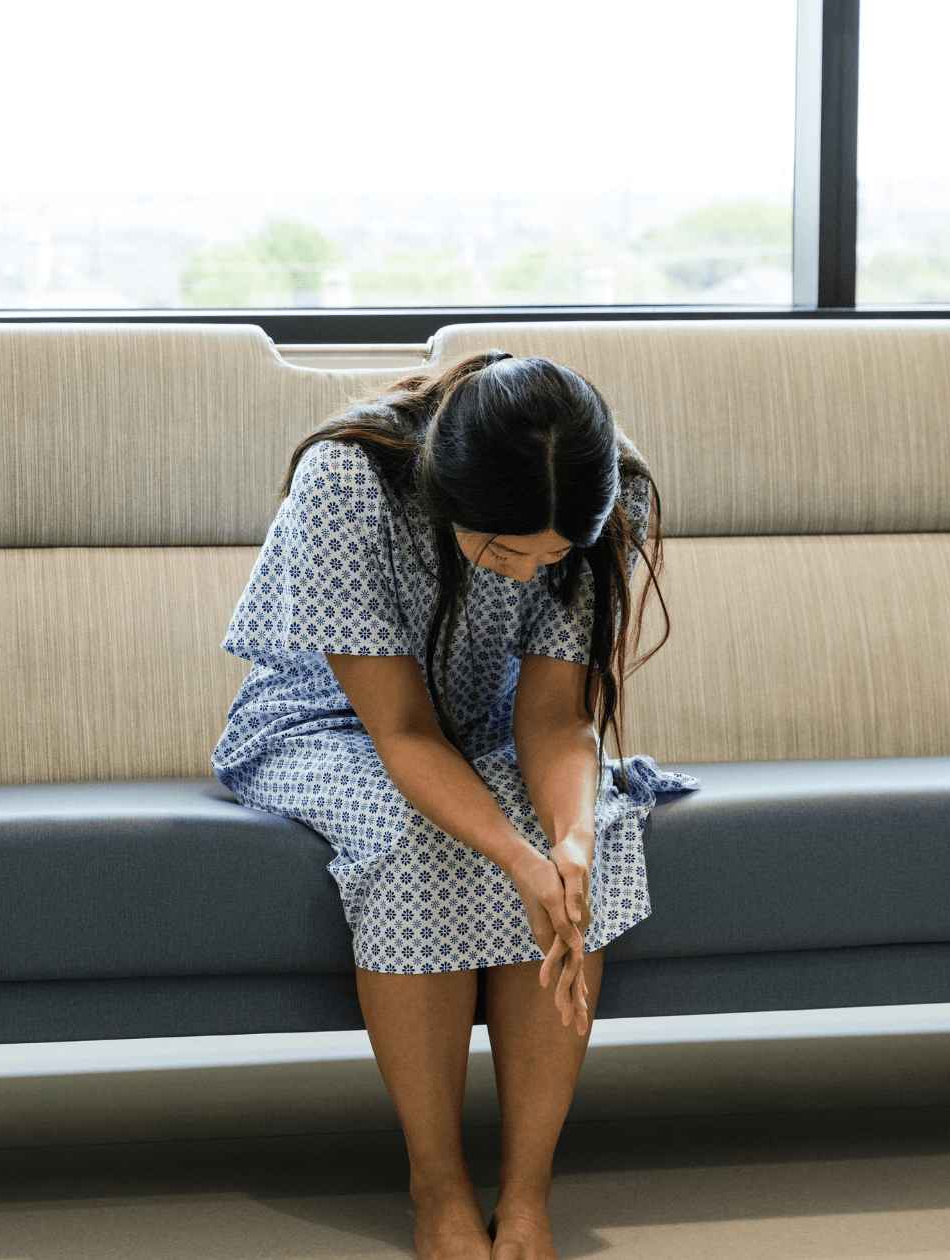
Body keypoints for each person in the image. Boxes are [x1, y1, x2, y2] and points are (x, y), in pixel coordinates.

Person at [214, 350, 696, 1260]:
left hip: (479, 725)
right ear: (446, 493)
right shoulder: (348, 480)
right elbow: (398, 729)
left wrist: (571, 844)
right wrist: (517, 857)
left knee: (586, 854)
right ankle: (436, 1186)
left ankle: (527, 1194)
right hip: (329, 722)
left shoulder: (601, 499)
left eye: (548, 557)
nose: (522, 575)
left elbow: (554, 719)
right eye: (501, 551)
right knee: (417, 840)